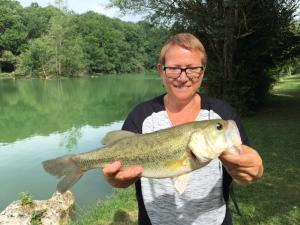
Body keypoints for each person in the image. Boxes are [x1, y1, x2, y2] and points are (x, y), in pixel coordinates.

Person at [103, 33, 263, 225]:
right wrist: (117, 181)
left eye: (193, 69)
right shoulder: (141, 116)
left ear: (203, 72)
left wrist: (254, 170)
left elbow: (245, 167)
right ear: (161, 70)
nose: (183, 77)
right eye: (174, 69)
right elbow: (122, 173)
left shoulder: (221, 114)